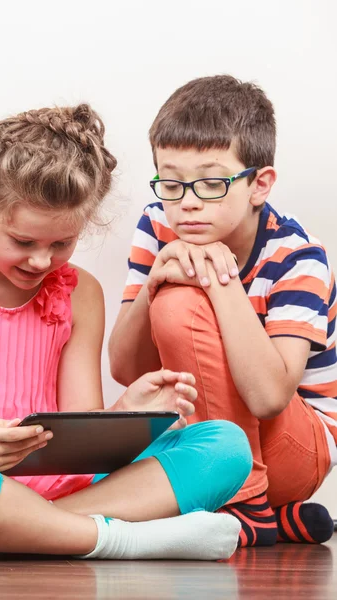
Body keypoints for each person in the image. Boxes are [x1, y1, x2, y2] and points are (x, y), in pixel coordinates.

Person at [0, 104, 252, 561]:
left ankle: (17, 531)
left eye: (61, 244)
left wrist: (124, 414)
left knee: (224, 447)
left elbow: (77, 440)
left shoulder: (82, 293)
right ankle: (121, 540)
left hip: (58, 489)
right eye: (23, 241)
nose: (41, 261)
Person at [109, 75, 337, 547]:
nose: (188, 202)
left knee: (182, 303)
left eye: (212, 182)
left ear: (260, 184)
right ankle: (277, 520)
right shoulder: (158, 222)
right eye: (171, 182)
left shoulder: (299, 257)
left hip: (296, 446)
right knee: (167, 301)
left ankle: (247, 504)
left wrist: (220, 277)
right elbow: (125, 368)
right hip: (201, 430)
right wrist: (154, 281)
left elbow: (270, 396)